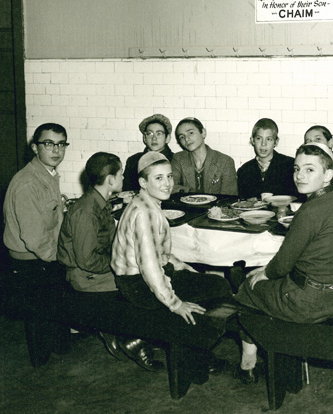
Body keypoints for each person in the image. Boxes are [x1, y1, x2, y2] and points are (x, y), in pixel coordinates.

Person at [235, 143, 333, 383]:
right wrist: (270, 271)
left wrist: (265, 274)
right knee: (266, 280)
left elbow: (282, 265)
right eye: (297, 168)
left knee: (246, 289)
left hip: (311, 302)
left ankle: (247, 361)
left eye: (310, 170)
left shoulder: (309, 211)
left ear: (328, 176)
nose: (300, 175)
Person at [57, 152, 163, 371]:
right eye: (121, 174)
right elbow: (87, 261)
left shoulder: (99, 201)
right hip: (86, 276)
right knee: (141, 283)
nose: (123, 178)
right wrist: (123, 263)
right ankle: (134, 341)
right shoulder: (87, 210)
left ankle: (134, 334)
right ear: (111, 180)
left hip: (96, 269)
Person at [112, 152, 233, 323]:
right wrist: (175, 304)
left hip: (136, 279)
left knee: (208, 281)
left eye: (169, 176)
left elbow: (159, 253)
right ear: (143, 182)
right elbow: (150, 266)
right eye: (159, 178)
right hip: (138, 286)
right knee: (219, 286)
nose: (167, 183)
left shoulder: (144, 202)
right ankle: (189, 339)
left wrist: (183, 267)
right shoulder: (145, 213)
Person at [4, 123, 69, 288]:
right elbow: (34, 238)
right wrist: (62, 259)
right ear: (35, 148)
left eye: (61, 144)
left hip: (41, 258)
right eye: (48, 144)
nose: (56, 150)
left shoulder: (47, 174)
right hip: (33, 263)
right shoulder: (28, 183)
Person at [171, 117, 237, 195]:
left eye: (191, 133)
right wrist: (189, 192)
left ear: (203, 133)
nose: (186, 139)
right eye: (182, 137)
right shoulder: (178, 159)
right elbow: (170, 186)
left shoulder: (225, 162)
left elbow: (229, 197)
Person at [237, 118, 296, 198]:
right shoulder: (244, 170)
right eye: (259, 138)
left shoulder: (290, 165)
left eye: (269, 139)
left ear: (276, 142)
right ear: (252, 140)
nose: (263, 144)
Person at [123, 114, 174, 192]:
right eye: (149, 134)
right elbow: (127, 191)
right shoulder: (133, 161)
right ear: (144, 138)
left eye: (159, 133)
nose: (154, 138)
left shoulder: (176, 160)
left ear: (167, 138)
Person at [304, 125, 333, 205]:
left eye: (318, 139)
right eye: (308, 141)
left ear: (330, 143)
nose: (313, 144)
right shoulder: (303, 168)